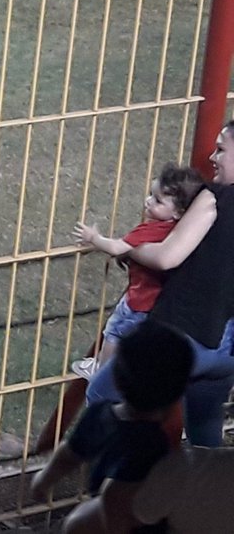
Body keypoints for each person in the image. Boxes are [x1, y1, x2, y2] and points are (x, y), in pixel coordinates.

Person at [79, 120, 234, 448]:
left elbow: (167, 257)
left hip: (183, 336)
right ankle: (210, 483)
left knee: (101, 396)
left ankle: (119, 477)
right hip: (227, 351)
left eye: (221, 149)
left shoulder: (214, 197)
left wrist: (126, 247)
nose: (212, 157)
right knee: (205, 430)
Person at [28, 320, 193, 534]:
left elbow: (70, 453)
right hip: (138, 523)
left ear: (115, 377)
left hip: (103, 512)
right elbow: (117, 499)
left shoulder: (99, 414)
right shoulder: (154, 444)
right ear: (179, 393)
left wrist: (43, 481)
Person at [70, 163, 204, 379]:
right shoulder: (182, 232)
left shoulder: (149, 230)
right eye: (151, 195)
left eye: (158, 200)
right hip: (162, 304)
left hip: (138, 300)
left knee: (114, 331)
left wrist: (94, 238)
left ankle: (101, 372)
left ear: (179, 212)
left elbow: (116, 248)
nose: (148, 201)